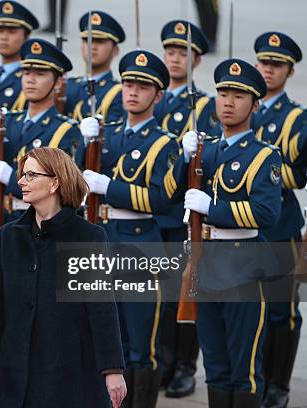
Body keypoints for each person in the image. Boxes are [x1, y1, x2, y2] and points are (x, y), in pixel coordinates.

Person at [166, 58, 282, 407]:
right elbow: (168, 195)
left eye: (239, 95)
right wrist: (183, 160)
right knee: (214, 367)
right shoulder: (205, 148)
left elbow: (266, 213)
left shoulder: (264, 156)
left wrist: (211, 209)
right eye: (223, 93)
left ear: (255, 104)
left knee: (243, 369)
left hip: (243, 266)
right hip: (205, 265)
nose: (228, 102)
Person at [0, 147, 126, 408]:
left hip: (67, 372)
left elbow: (101, 308)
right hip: (15, 371)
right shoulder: (9, 236)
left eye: (31, 175)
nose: (21, 181)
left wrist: (112, 369)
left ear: (55, 182)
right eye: (23, 175)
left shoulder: (87, 237)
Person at [80, 50, 179, 407]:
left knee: (139, 345)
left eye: (142, 86)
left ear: (158, 95)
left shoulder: (164, 142)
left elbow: (161, 199)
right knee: (106, 340)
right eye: (128, 84)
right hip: (102, 238)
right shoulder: (105, 135)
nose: (132, 92)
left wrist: (111, 188)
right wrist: (83, 143)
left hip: (139, 242)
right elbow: (79, 180)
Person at [154, 19, 215, 398]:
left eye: (184, 53)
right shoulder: (151, 93)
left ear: (196, 61)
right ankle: (160, 360)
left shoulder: (204, 105)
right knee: (155, 293)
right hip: (152, 209)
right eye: (171, 51)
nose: (175, 59)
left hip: (183, 211)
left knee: (185, 291)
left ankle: (184, 366)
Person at [252, 31, 306, 408]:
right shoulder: (238, 104)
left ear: (289, 71)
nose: (269, 70)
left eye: (277, 65)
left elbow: (297, 174)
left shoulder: (297, 118)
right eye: (264, 63)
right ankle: (253, 379)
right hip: (239, 226)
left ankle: (279, 384)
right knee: (245, 310)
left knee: (282, 310)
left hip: (279, 228)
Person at [0, 38, 83, 224]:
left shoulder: (65, 130)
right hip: (4, 220)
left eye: (40, 73)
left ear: (58, 82)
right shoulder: (9, 122)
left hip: (41, 222)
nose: (30, 79)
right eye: (26, 72)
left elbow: (65, 187)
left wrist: (12, 179)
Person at [64, 10, 125, 124]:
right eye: (87, 41)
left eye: (100, 42)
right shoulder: (68, 85)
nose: (93, 47)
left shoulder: (118, 93)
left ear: (115, 51)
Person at [0, 1, 39, 111]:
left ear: (26, 37)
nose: (4, 37)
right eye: (0, 31)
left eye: (12, 32)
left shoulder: (30, 79)